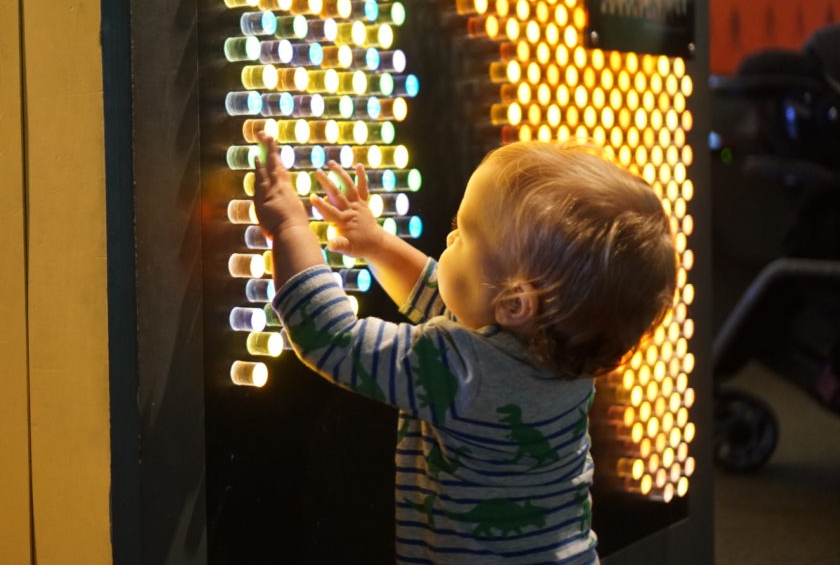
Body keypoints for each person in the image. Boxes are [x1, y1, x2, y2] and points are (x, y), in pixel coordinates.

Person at [252, 132, 677, 564]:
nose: (450, 239)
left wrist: (289, 228)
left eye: (464, 233)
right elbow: (453, 300)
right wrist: (378, 245)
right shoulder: (564, 354)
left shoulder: (461, 372)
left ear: (515, 303)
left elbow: (331, 337)